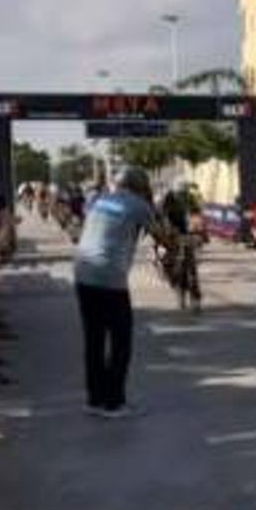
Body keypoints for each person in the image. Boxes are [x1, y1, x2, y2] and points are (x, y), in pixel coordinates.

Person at [73, 167, 172, 419]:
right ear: (141, 185)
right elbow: (163, 238)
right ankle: (115, 403)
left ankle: (95, 400)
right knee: (120, 340)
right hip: (109, 277)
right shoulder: (138, 204)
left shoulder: (100, 199)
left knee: (93, 339)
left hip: (83, 272)